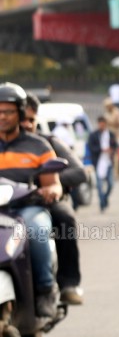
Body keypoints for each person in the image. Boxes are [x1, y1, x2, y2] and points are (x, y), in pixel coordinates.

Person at [0, 82, 62, 317]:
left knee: (36, 230)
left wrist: (52, 191)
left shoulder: (38, 146)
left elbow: (53, 182)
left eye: (8, 111)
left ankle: (45, 289)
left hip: (25, 209)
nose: (2, 117)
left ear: (21, 112)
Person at [23, 94, 87, 306]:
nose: (25, 124)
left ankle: (67, 283)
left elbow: (80, 172)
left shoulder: (47, 143)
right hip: (9, 203)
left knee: (64, 218)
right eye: (21, 118)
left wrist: (48, 184)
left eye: (30, 120)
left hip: (45, 202)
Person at [87, 115, 117, 215]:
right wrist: (101, 150)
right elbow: (91, 148)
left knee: (110, 184)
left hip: (108, 161)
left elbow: (115, 145)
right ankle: (102, 203)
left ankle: (105, 198)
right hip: (99, 162)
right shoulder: (94, 135)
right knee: (99, 185)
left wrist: (111, 151)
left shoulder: (110, 134)